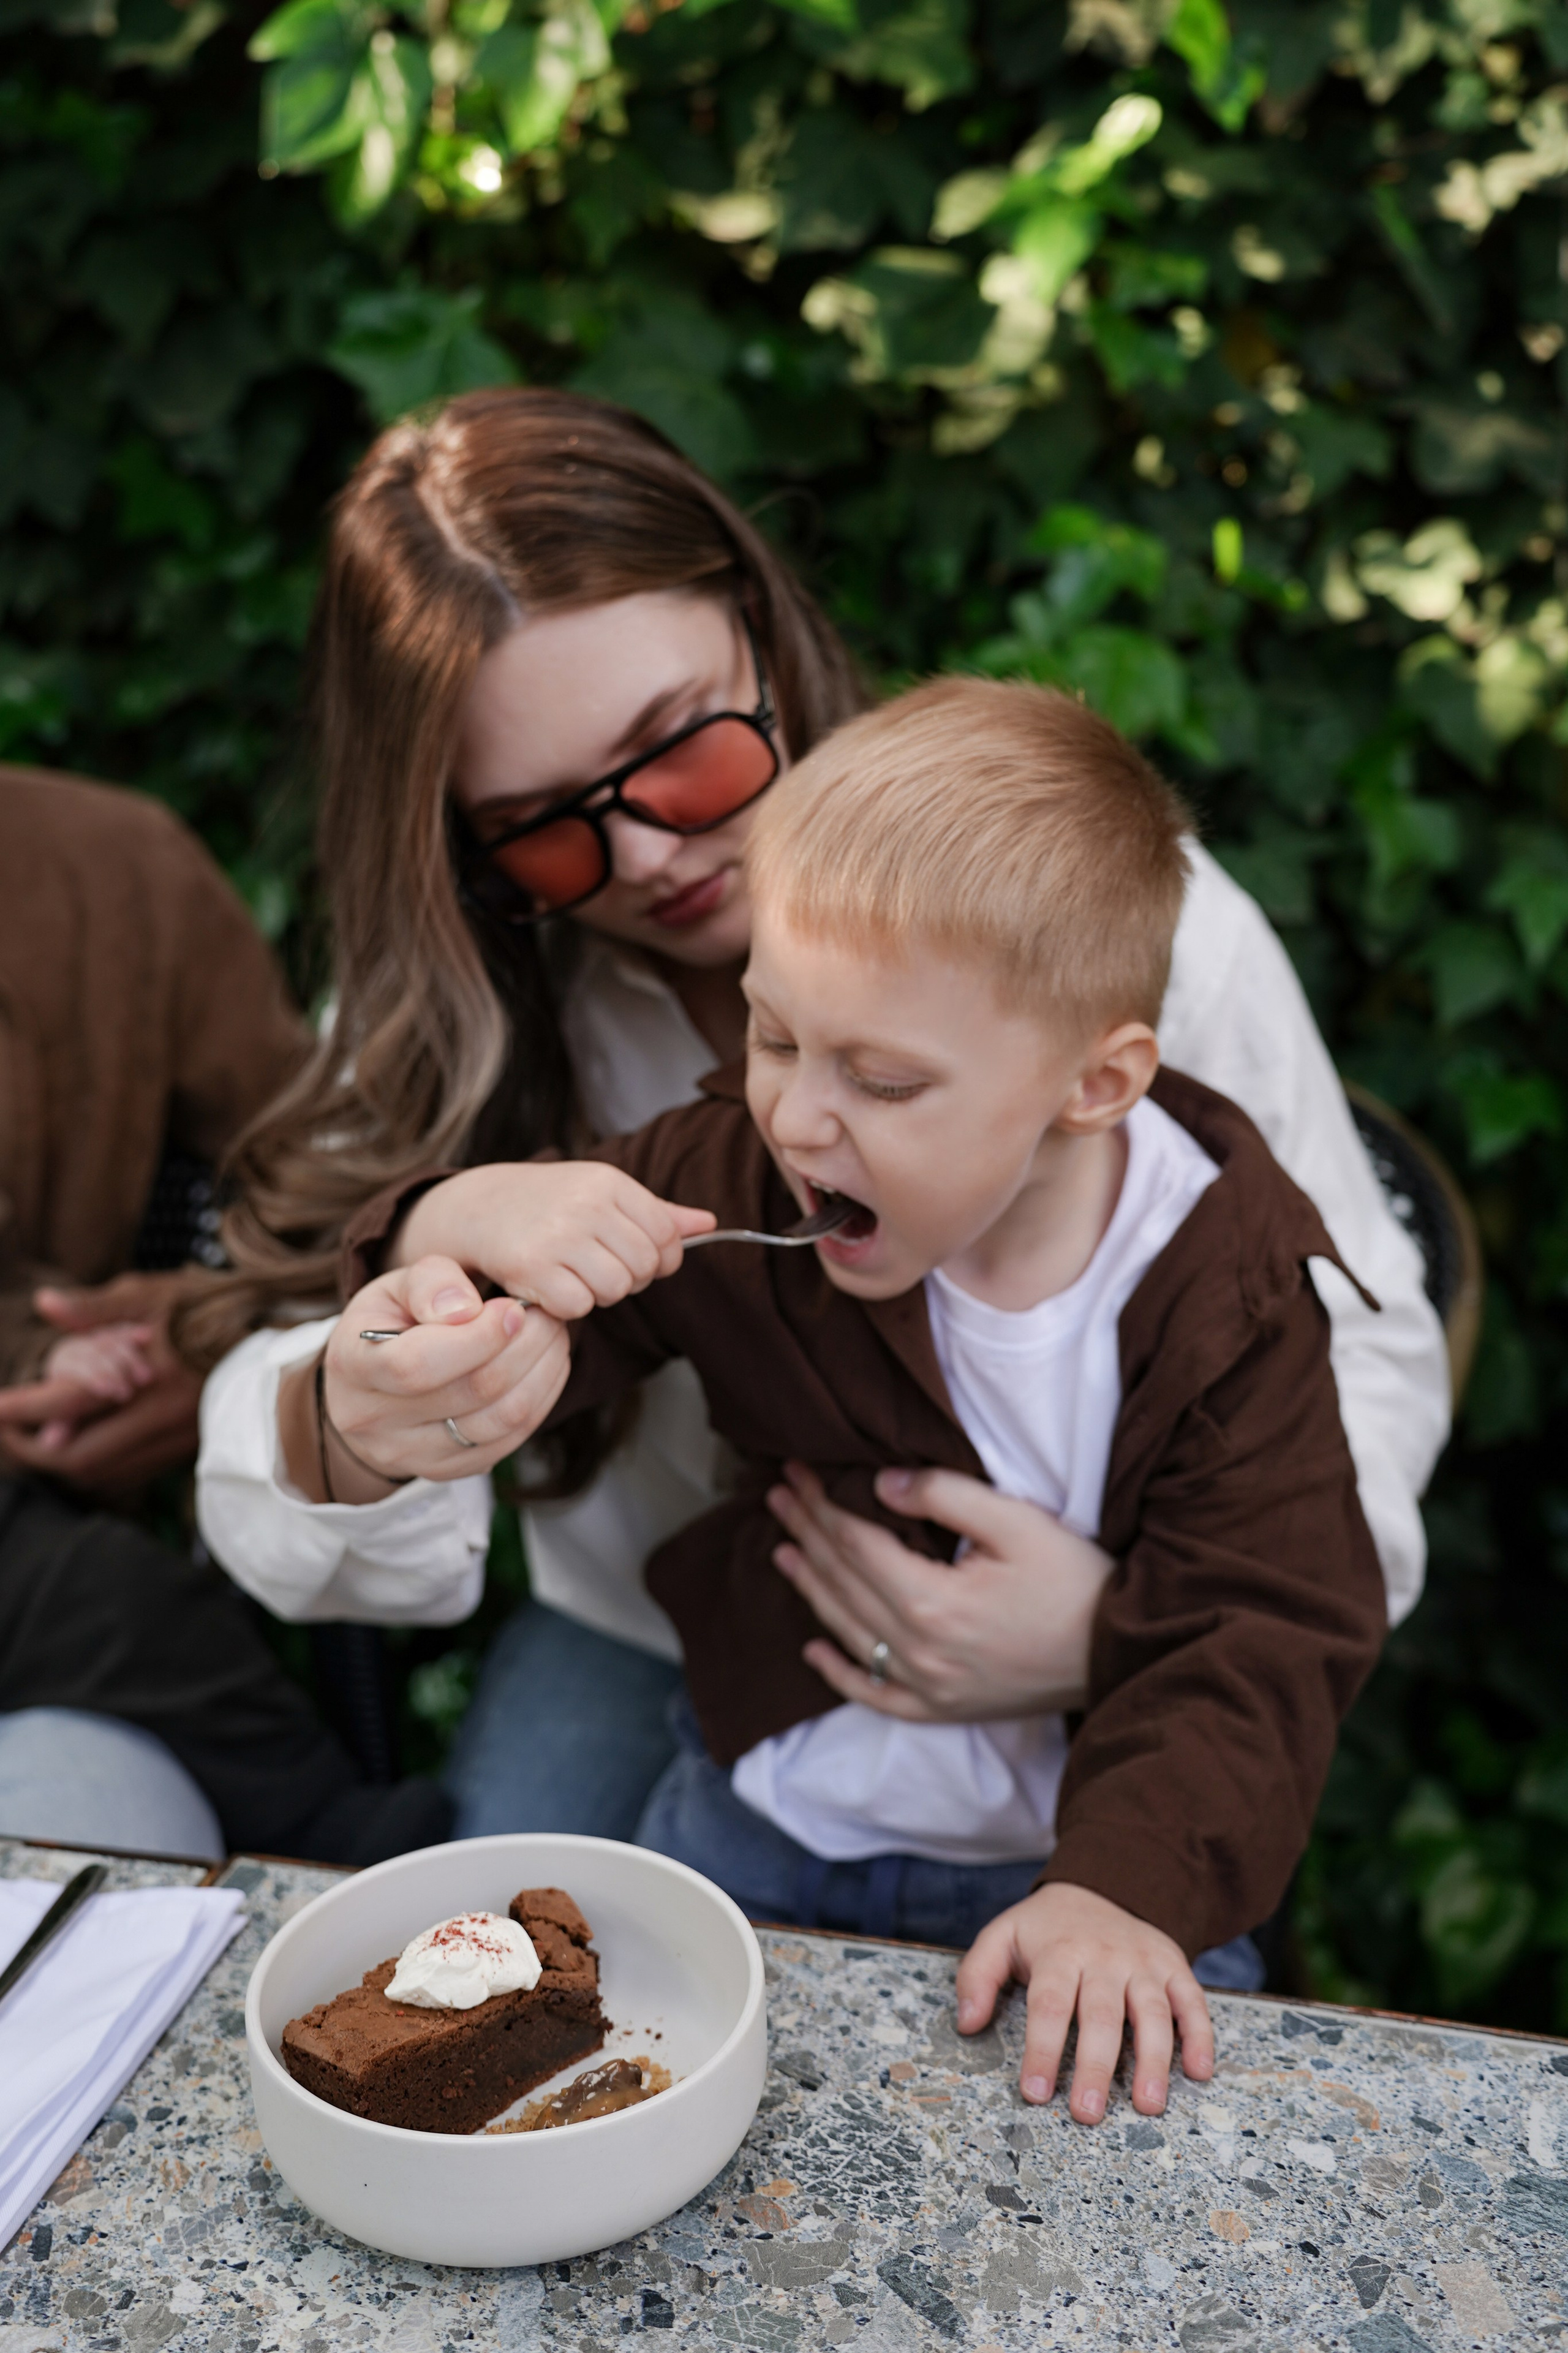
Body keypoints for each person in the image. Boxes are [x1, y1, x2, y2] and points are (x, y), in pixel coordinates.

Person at [191, 387, 1447, 1852]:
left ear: (759, 621)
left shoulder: (1101, 922)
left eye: (681, 747)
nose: (655, 852)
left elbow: (1357, 1356)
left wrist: (1117, 1626)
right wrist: (368, 1385)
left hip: (1122, 1646)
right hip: (677, 1641)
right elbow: (280, 1396)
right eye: (542, 824)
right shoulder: (450, 1006)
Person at [274, 678, 1389, 2121]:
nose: (799, 1116)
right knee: (642, 2130)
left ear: (1094, 1083)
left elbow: (1264, 1626)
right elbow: (530, 1317)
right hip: (763, 1814)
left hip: (1088, 1854)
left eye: (879, 1077)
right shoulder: (747, 1176)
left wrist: (1122, 1892)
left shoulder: (1220, 1289)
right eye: (774, 1036)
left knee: (1130, 2171)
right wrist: (453, 1251)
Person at [0, 763, 451, 1862]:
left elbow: (322, 1180)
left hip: (49, 1533)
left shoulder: (112, 867)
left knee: (119, 1609)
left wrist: (206, 1340)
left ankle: (349, 1858)